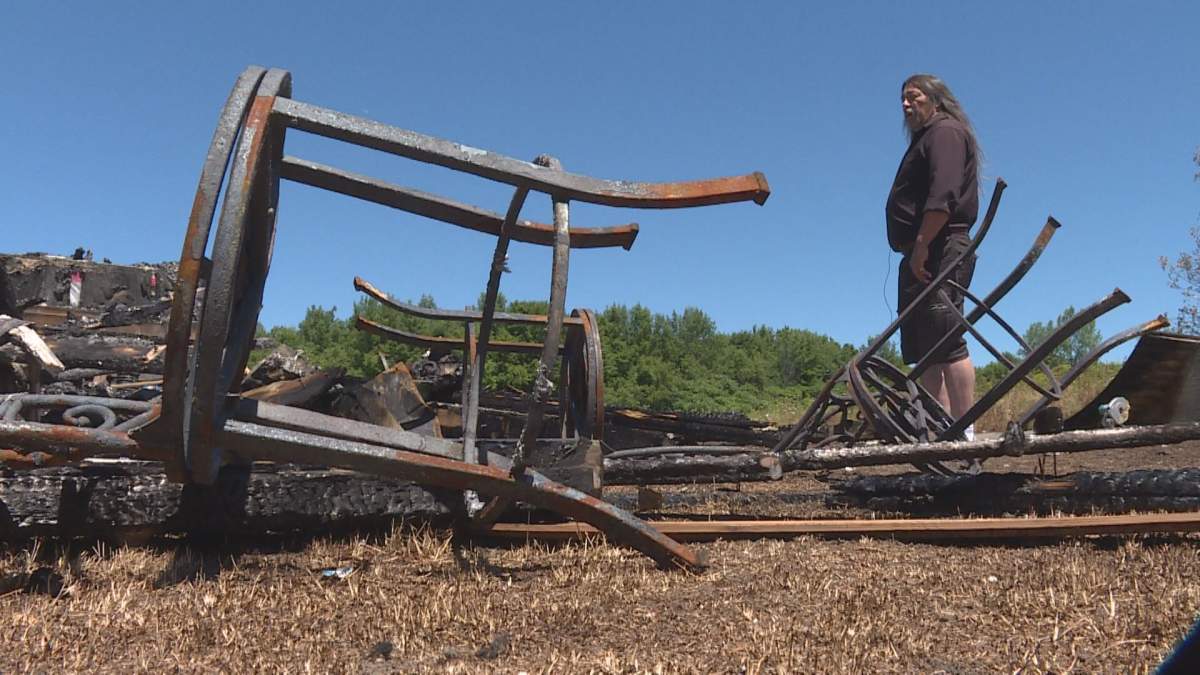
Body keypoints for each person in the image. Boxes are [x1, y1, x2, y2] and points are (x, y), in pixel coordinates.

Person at [885, 73, 980, 439]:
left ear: (936, 100)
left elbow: (944, 194)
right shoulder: (925, 140)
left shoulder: (945, 132)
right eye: (903, 100)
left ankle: (964, 430)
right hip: (919, 252)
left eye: (914, 97)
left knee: (946, 336)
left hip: (939, 246)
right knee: (926, 346)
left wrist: (923, 246)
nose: (906, 105)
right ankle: (938, 430)